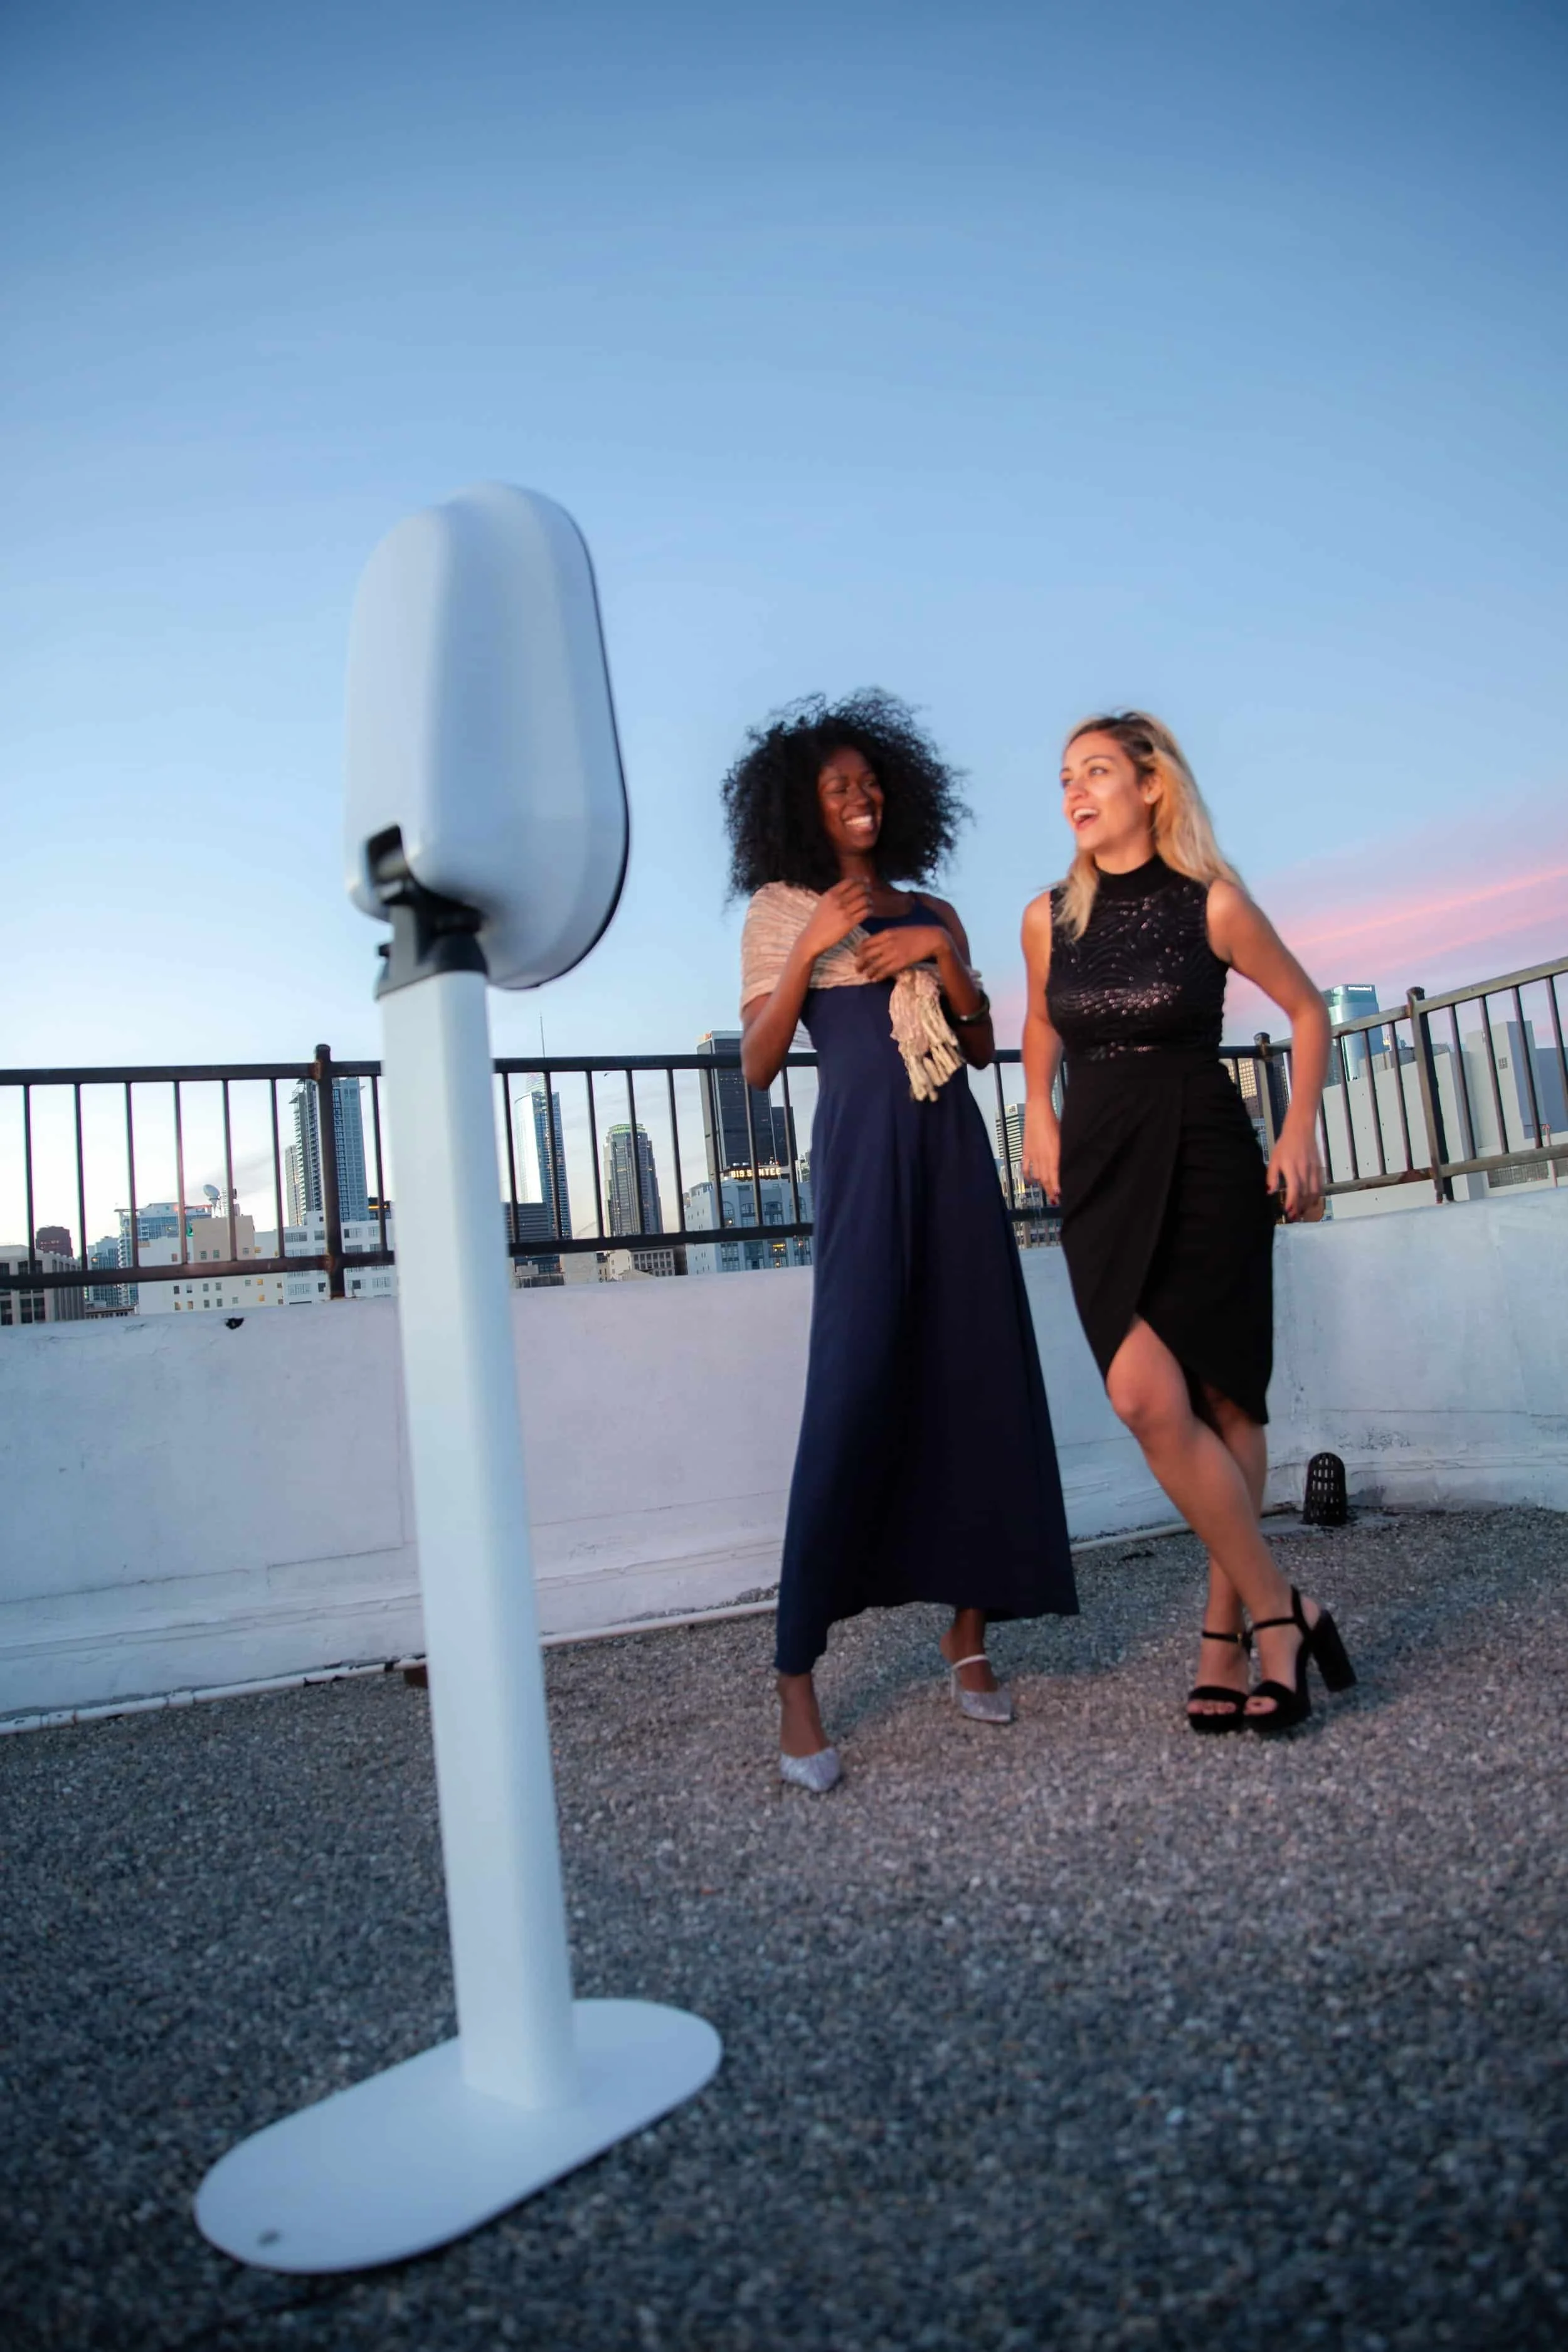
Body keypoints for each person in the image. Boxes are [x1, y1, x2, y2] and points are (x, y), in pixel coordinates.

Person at [727, 691, 1078, 1792]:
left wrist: (942, 952)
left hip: (952, 1159)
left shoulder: (934, 906)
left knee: (975, 1380)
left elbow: (978, 1045)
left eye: (870, 782)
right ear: (802, 806)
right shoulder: (785, 909)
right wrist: (816, 950)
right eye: (838, 787)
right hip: (865, 1160)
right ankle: (796, 1678)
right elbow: (756, 1062)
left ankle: (967, 1633)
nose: (860, 797)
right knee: (852, 1389)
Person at [1020, 712, 1355, 1733]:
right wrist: (1038, 1109)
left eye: (1098, 771)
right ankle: (1282, 1608)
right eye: (1066, 776)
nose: (1076, 790)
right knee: (1141, 1394)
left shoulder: (1213, 904)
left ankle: (1232, 1631)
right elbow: (1041, 1021)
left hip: (1206, 1151)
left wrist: (1298, 1131)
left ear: (1152, 783)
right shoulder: (1046, 916)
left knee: (1224, 1402)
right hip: (1103, 1166)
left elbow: (1306, 1008)